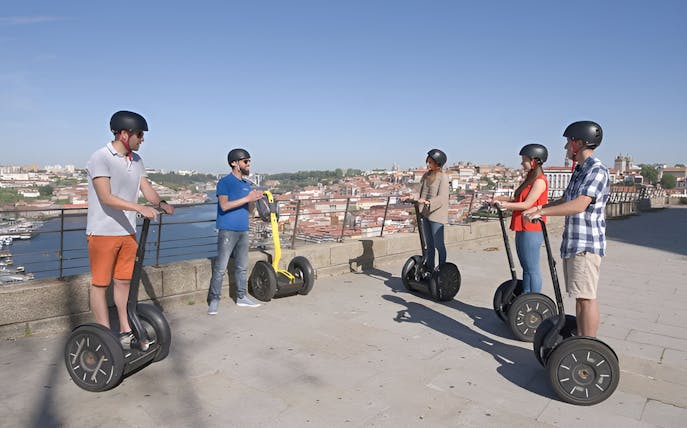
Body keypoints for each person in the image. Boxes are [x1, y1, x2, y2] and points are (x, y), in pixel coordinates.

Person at [86, 110, 174, 348]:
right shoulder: (100, 157)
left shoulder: (136, 160)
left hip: (127, 232)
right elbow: (106, 197)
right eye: (139, 134)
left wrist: (160, 203)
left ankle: (125, 328)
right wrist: (139, 208)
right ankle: (104, 333)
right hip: (102, 232)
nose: (142, 139)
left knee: (124, 281)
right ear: (124, 134)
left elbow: (146, 189)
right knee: (100, 284)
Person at [524, 121, 610, 337]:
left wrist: (542, 213)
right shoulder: (581, 170)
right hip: (574, 243)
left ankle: (587, 346)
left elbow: (579, 204)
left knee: (586, 298)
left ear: (580, 142)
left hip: (586, 244)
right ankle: (581, 340)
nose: (566, 147)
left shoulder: (597, 170)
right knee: (581, 297)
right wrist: (540, 207)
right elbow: (565, 199)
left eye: (568, 142)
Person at [207, 148, 264, 314]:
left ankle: (241, 297)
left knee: (242, 266)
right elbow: (224, 206)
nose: (249, 164)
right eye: (246, 161)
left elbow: (251, 211)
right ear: (235, 163)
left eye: (249, 161)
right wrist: (248, 198)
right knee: (220, 267)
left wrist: (254, 200)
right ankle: (214, 300)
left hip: (243, 229)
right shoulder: (224, 182)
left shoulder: (247, 185)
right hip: (227, 230)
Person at [494, 144, 549, 294]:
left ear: (534, 161)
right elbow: (517, 199)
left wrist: (505, 205)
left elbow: (527, 204)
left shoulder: (540, 181)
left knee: (532, 268)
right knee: (525, 266)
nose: (521, 163)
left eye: (524, 160)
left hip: (532, 228)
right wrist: (500, 201)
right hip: (522, 226)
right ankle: (525, 296)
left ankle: (534, 298)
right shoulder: (530, 179)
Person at [405, 149, 450, 273]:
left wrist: (429, 202)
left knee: (438, 245)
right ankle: (429, 270)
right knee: (429, 245)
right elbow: (420, 191)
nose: (428, 164)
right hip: (425, 213)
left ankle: (442, 270)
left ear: (438, 163)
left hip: (437, 215)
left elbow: (442, 197)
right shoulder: (426, 176)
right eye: (428, 162)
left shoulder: (443, 177)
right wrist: (411, 197)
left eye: (430, 162)